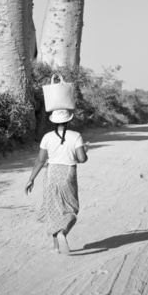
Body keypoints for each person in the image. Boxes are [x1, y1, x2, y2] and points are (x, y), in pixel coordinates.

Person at [24, 109, 88, 255]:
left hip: (51, 174)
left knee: (52, 208)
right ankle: (62, 232)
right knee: (70, 207)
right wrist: (85, 150)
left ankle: (56, 246)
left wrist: (31, 179)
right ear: (68, 120)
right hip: (68, 174)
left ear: (53, 121)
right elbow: (82, 159)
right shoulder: (76, 136)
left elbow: (40, 160)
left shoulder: (47, 137)